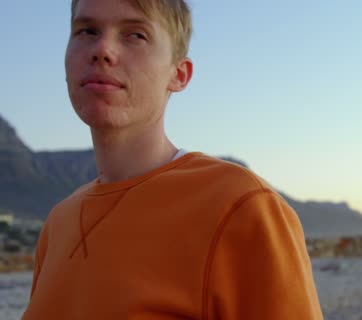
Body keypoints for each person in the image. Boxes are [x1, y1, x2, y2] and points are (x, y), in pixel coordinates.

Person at [22, 0, 324, 319]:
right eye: (87, 30)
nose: (102, 50)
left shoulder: (240, 206)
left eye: (135, 35)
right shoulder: (59, 223)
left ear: (179, 74)